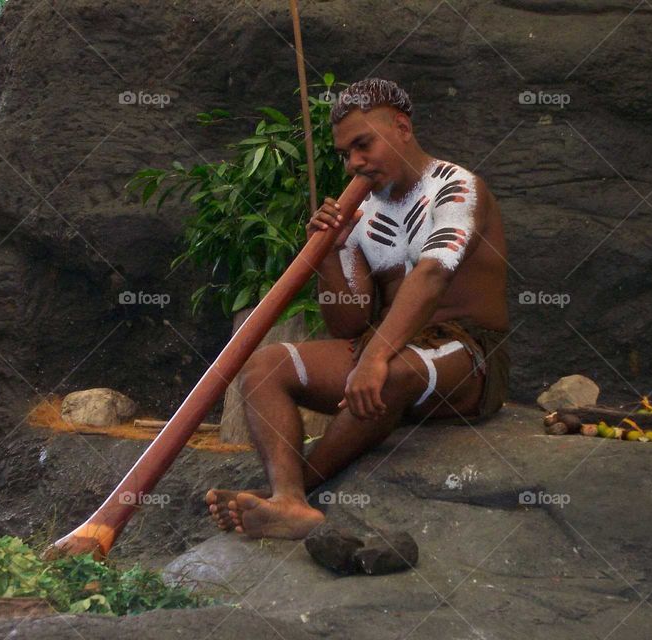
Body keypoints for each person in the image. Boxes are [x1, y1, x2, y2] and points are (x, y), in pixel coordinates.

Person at [205, 77, 510, 539]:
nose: (355, 163)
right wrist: (330, 253)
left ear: (402, 127)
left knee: (394, 371)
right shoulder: (364, 212)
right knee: (265, 367)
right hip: (387, 352)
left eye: (363, 145)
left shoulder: (459, 188)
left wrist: (373, 360)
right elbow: (349, 320)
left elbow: (432, 275)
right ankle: (288, 500)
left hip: (466, 359)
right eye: (346, 153)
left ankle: (297, 490)